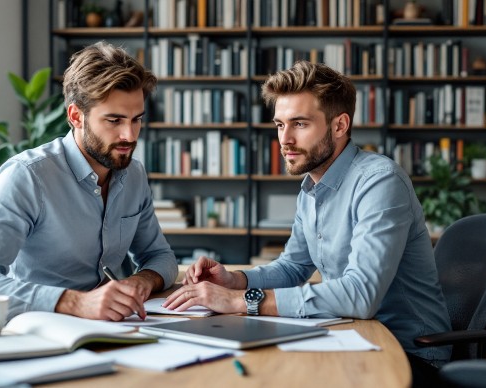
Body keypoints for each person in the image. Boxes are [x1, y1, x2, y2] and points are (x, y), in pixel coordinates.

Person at [163, 61, 451, 386]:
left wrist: (241, 301)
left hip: (407, 354)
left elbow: (361, 294)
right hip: (348, 336)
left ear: (339, 125)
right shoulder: (312, 188)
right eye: (279, 124)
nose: (284, 139)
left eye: (299, 124)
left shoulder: (379, 182)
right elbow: (292, 268)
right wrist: (235, 280)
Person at [0, 42, 178, 322]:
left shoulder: (134, 175)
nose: (129, 135)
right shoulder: (27, 177)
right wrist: (75, 303)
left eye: (136, 120)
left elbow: (160, 256)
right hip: (36, 332)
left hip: (107, 330)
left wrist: (142, 281)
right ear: (75, 116)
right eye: (114, 120)